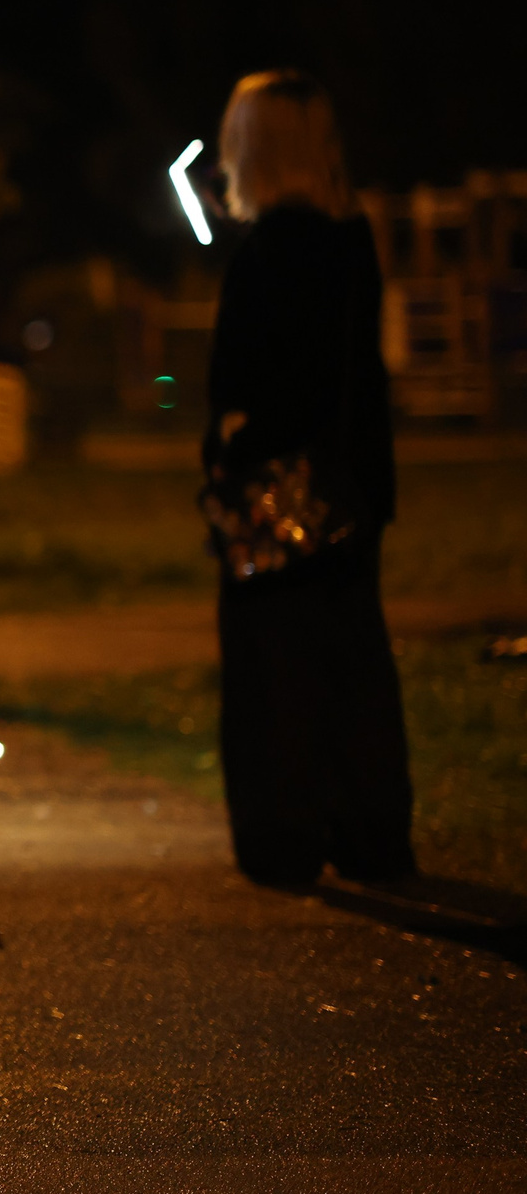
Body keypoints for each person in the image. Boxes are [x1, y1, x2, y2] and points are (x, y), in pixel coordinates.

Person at [201, 71, 408, 889]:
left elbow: (259, 383)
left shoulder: (266, 255)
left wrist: (234, 442)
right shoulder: (350, 240)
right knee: (354, 660)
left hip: (278, 496)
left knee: (277, 671)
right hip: (355, 487)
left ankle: (283, 837)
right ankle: (371, 831)